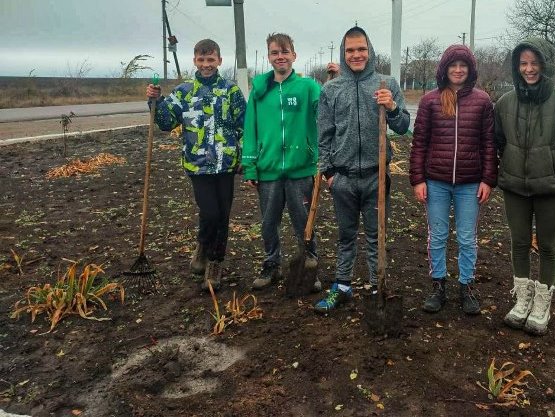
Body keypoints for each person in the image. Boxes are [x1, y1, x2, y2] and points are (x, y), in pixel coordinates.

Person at [315, 26, 411, 314]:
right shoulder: (331, 89)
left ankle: (375, 287)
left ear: (370, 51)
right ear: (343, 55)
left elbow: (404, 126)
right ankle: (342, 286)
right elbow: (324, 134)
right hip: (343, 177)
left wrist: (392, 107)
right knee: (345, 236)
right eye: (350, 50)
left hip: (376, 176)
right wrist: (329, 173)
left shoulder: (386, 83)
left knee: (375, 235)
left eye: (361, 49)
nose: (356, 55)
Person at [494, 38, 555, 335]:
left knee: (548, 245)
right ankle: (522, 300)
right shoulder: (505, 103)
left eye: (534, 63)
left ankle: (542, 303)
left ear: (545, 65)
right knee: (519, 242)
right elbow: (498, 142)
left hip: (551, 187)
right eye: (523, 63)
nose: (529, 69)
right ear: (516, 66)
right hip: (515, 187)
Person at [146, 38, 246, 291]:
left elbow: (244, 124)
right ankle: (203, 245)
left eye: (211, 60)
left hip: (225, 164)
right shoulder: (183, 92)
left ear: (220, 61)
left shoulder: (231, 91)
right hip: (197, 164)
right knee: (210, 212)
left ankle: (215, 263)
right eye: (201, 60)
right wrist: (155, 102)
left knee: (223, 216)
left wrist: (246, 156)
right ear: (194, 61)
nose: (206, 65)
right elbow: (167, 122)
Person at [409, 44, 498, 316]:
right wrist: (417, 179)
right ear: (444, 69)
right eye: (453, 65)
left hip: (470, 183)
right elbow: (419, 143)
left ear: (470, 69)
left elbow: (489, 143)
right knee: (437, 235)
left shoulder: (483, 101)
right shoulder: (430, 101)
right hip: (436, 181)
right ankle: (438, 285)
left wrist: (488, 179)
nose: (458, 70)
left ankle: (467, 286)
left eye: (463, 65)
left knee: (468, 238)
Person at [241, 33, 330, 291]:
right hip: (268, 170)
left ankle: (309, 267)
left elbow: (326, 111)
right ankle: (271, 265)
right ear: (269, 57)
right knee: (269, 222)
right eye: (274, 53)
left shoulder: (308, 87)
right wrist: (250, 165)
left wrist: (334, 80)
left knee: (303, 220)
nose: (280, 57)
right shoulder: (260, 91)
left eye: (285, 52)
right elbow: (251, 129)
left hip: (301, 169)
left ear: (294, 55)